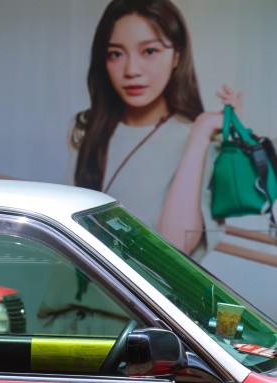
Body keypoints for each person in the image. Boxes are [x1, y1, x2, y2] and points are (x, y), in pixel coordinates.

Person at [68, 0, 241, 258]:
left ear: (177, 56)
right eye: (116, 53)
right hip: (68, 295)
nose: (131, 70)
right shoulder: (84, 129)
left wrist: (200, 134)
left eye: (149, 51)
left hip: (141, 298)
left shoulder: (204, 141)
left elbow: (173, 249)